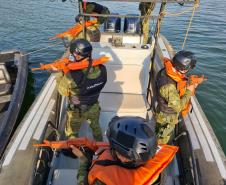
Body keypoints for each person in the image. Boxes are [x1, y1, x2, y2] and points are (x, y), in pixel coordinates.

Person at [71, 116, 178, 185]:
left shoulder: (104, 181)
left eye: (115, 150)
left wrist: (84, 162)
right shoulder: (153, 170)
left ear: (123, 157)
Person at [56, 39, 107, 140]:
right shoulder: (102, 68)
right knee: (96, 128)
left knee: (72, 134)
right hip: (94, 107)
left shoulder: (72, 75)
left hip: (76, 111)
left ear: (77, 55)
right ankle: (100, 146)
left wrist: (60, 73)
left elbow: (62, 91)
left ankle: (74, 151)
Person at [155, 50, 205, 144]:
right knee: (163, 136)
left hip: (163, 108)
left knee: (158, 130)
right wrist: (189, 91)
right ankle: (158, 149)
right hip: (167, 116)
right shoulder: (168, 86)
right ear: (184, 68)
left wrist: (189, 83)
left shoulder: (166, 70)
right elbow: (178, 107)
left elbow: (176, 82)